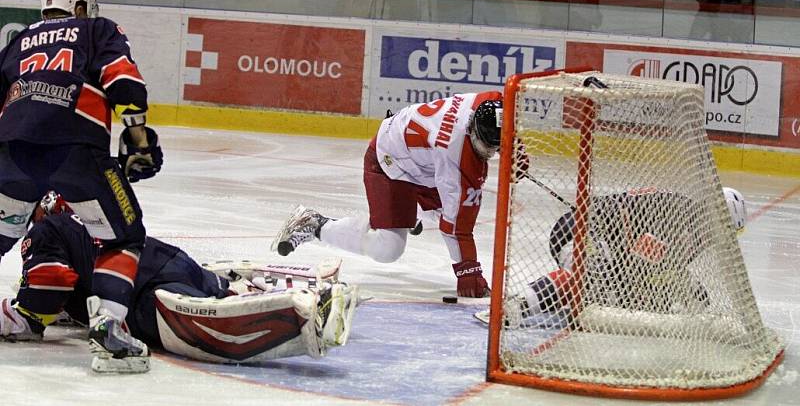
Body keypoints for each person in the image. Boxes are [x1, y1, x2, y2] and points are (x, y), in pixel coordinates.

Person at [0, 0, 163, 372]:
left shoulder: (19, 40)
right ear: (77, 7)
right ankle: (110, 332)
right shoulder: (96, 29)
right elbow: (121, 77)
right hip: (76, 147)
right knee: (123, 237)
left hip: (13, 149)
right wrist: (138, 135)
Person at [0, 192, 359, 367]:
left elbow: (52, 282)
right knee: (222, 292)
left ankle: (311, 313)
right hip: (170, 260)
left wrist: (17, 316)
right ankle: (301, 285)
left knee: (213, 324)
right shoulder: (94, 219)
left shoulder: (46, 231)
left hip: (144, 294)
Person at [272, 92, 504, 298]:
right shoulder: (455, 153)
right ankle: (315, 224)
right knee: (389, 248)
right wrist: (468, 271)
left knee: (447, 208)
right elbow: (457, 227)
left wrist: (517, 151)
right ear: (471, 129)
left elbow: (505, 125)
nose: (490, 153)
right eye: (487, 147)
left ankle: (414, 213)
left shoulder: (490, 102)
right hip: (390, 162)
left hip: (421, 160)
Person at [477, 187, 748, 326]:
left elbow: (649, 266)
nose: (723, 239)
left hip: (598, 237)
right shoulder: (680, 220)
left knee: (609, 295)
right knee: (587, 280)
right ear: (716, 217)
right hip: (580, 231)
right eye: (725, 230)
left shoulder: (690, 223)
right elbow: (641, 263)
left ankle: (545, 299)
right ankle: (513, 306)